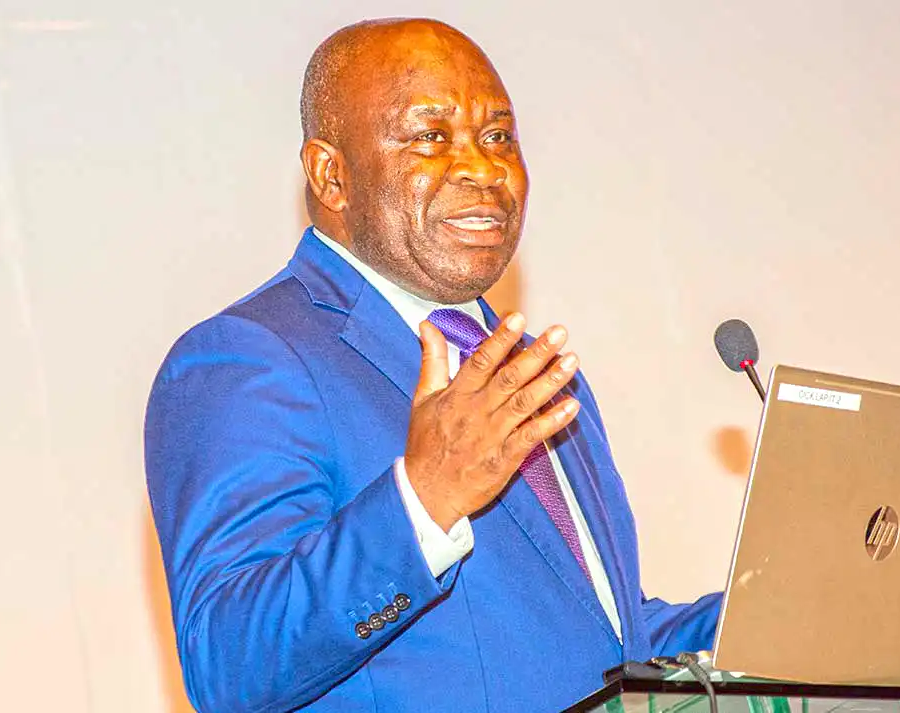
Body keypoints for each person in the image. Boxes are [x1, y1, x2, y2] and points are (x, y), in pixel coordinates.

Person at [145, 18, 721, 713]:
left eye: (498, 137)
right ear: (331, 175)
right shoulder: (249, 358)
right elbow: (231, 662)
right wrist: (423, 499)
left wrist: (777, 612)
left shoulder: (528, 368)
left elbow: (601, 644)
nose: (483, 168)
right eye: (430, 136)